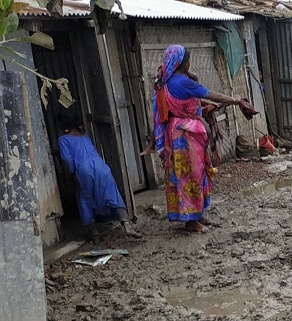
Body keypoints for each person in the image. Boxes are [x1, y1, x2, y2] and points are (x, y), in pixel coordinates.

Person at [152, 44, 252, 234]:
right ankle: (191, 221)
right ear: (186, 63)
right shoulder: (183, 82)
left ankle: (198, 214)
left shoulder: (166, 82)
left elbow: (190, 98)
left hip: (177, 134)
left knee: (190, 174)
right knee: (192, 176)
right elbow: (209, 93)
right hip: (186, 136)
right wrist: (234, 100)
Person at [56, 111, 142, 240]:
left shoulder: (63, 139)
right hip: (102, 167)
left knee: (84, 198)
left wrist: (73, 172)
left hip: (83, 169)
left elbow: (67, 159)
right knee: (113, 194)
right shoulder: (85, 137)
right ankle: (127, 225)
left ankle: (94, 232)